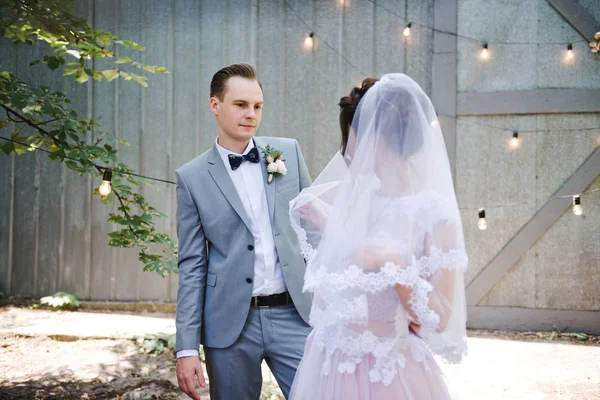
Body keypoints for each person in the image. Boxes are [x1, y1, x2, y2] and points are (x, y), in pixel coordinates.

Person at [289, 73, 468, 399]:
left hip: (387, 371)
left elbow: (440, 317)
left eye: (351, 134)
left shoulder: (432, 212)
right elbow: (351, 267)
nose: (346, 148)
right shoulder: (360, 201)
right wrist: (327, 221)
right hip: (331, 360)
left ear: (375, 136)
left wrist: (394, 264)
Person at [175, 63, 312, 400]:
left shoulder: (288, 154)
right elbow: (192, 266)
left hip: (296, 315)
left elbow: (315, 232)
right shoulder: (191, 177)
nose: (251, 114)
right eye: (240, 105)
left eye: (257, 106)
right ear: (215, 105)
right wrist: (186, 348)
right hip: (230, 326)